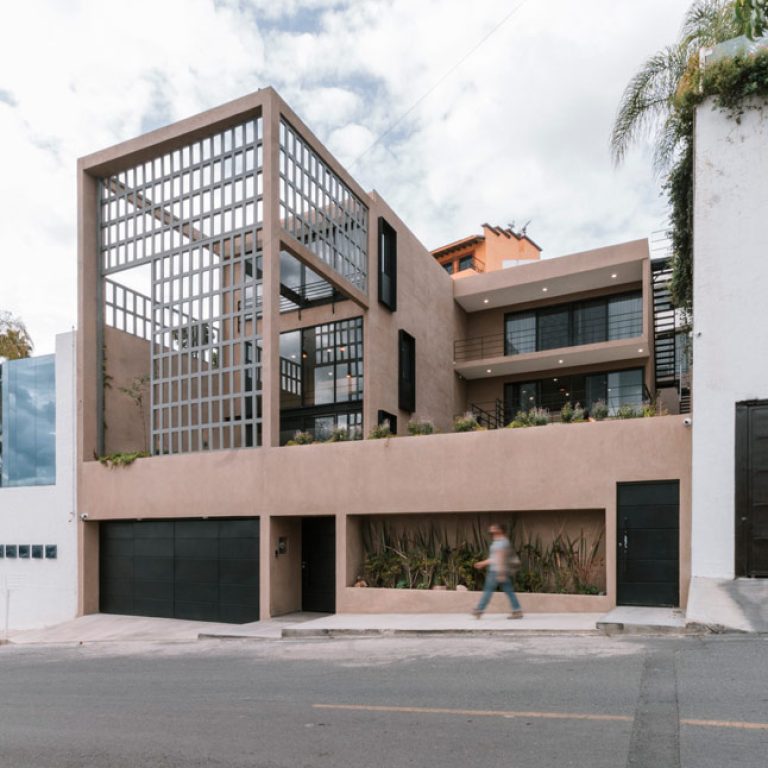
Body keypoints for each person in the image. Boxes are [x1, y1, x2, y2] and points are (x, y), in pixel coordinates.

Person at [472, 524, 523, 619]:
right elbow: (494, 558)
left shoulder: (502, 542)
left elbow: (500, 558)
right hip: (499, 570)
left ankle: (479, 610)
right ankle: (517, 610)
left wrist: (501, 572)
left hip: (496, 571)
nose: (491, 528)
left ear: (500, 530)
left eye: (494, 527)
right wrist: (483, 563)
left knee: (488, 591)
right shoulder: (498, 541)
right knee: (509, 591)